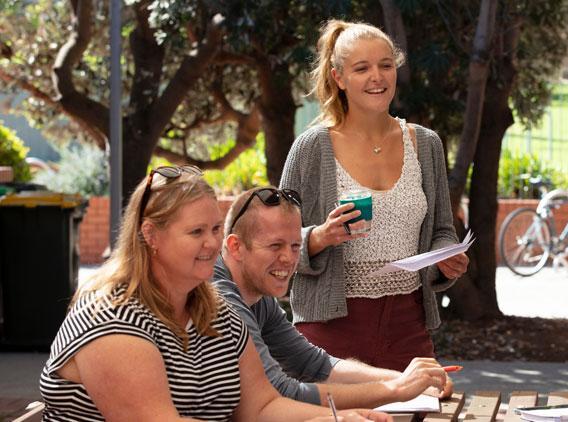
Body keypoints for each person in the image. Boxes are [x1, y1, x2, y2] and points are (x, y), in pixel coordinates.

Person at [39, 166, 389, 421]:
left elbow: (263, 406)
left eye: (215, 229)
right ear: (151, 235)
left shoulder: (217, 309)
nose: (212, 243)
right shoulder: (112, 319)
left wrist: (332, 419)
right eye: (195, 232)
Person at [279, 19, 468, 371]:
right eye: (362, 68)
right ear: (339, 78)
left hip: (408, 326)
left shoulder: (425, 144)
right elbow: (274, 242)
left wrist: (446, 257)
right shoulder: (311, 148)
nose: (377, 77)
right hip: (330, 332)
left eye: (385, 65)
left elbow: (442, 229)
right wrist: (319, 237)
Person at [213, 186, 453, 409]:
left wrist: (412, 380)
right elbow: (278, 392)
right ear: (235, 247)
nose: (288, 258)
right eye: (275, 246)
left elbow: (311, 363)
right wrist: (395, 388)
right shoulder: (221, 297)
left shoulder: (257, 293)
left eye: (296, 246)